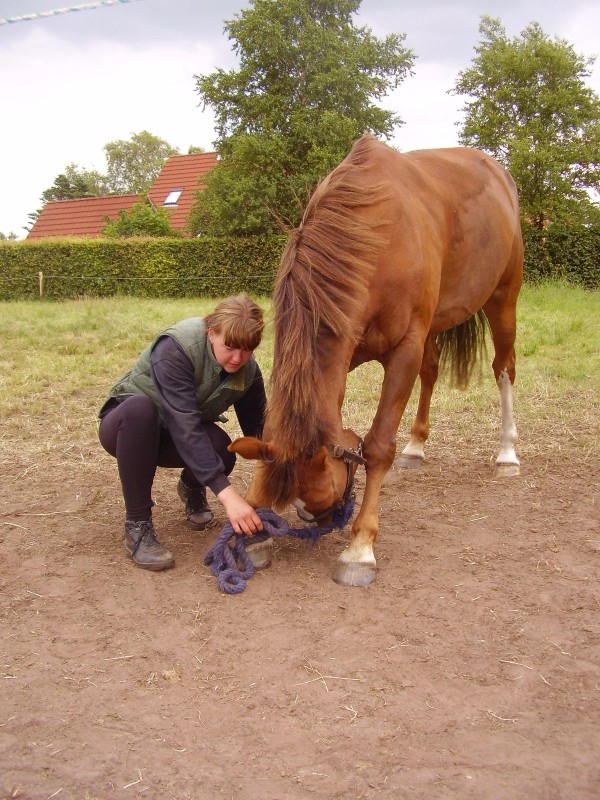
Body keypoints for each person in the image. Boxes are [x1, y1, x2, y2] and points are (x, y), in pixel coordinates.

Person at [98, 293, 268, 571]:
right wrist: (227, 495)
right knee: (140, 409)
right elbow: (185, 423)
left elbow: (260, 433)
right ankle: (138, 526)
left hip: (175, 436)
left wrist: (290, 468)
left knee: (223, 449)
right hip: (127, 430)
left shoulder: (248, 370)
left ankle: (191, 487)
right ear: (211, 332)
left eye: (248, 349)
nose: (238, 358)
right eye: (231, 347)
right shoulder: (176, 347)